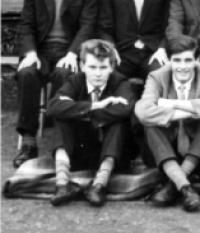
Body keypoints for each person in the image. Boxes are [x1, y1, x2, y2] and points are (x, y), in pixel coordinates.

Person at [13, 0, 99, 168]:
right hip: (40, 50)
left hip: (69, 50)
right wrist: (29, 53)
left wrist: (73, 54)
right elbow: (27, 24)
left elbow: (87, 25)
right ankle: (29, 141)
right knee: (27, 74)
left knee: (65, 75)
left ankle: (60, 144)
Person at [134, 35, 200, 212]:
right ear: (169, 61)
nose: (183, 66)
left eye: (188, 60)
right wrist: (193, 111)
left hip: (199, 154)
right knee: (150, 123)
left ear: (196, 59)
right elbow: (142, 111)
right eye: (177, 60)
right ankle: (185, 187)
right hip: (165, 152)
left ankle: (174, 182)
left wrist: (173, 105)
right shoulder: (157, 76)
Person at [46, 39, 135, 207]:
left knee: (119, 122)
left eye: (103, 68)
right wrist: (95, 105)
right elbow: (52, 107)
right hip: (80, 151)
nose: (98, 74)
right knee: (60, 118)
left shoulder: (120, 82)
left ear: (112, 67)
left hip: (110, 153)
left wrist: (80, 112)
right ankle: (62, 184)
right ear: (82, 66)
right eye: (92, 67)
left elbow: (125, 109)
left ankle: (99, 185)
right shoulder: (75, 81)